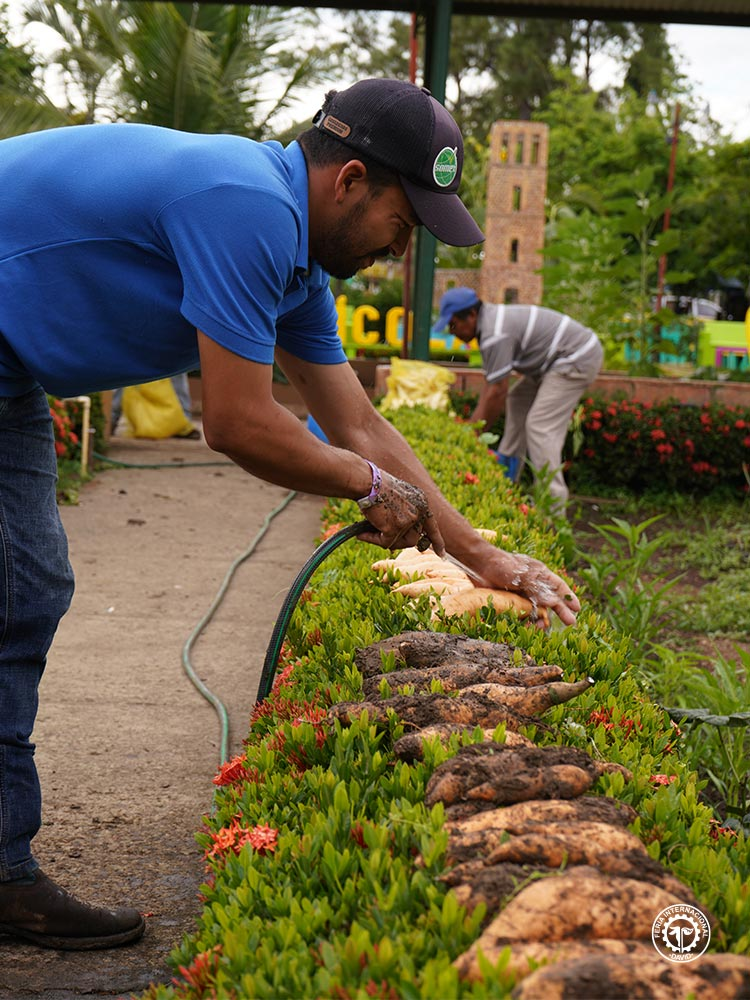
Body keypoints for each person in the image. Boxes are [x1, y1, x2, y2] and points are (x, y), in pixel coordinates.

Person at [0, 78, 580, 951]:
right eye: (402, 221)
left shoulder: (298, 268)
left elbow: (359, 424)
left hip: (10, 370)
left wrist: (479, 555)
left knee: (25, 588)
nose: (401, 246)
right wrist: (370, 489)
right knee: (20, 588)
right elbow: (238, 422)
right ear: (349, 181)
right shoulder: (248, 208)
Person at [433, 287, 603, 509]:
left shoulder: (494, 334)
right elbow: (492, 385)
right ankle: (507, 478)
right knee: (517, 399)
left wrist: (474, 434)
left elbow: (497, 392)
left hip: (576, 357)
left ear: (472, 315)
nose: (452, 331)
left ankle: (552, 509)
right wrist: (473, 428)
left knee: (540, 426)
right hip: (551, 362)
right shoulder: (489, 324)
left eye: (454, 324)